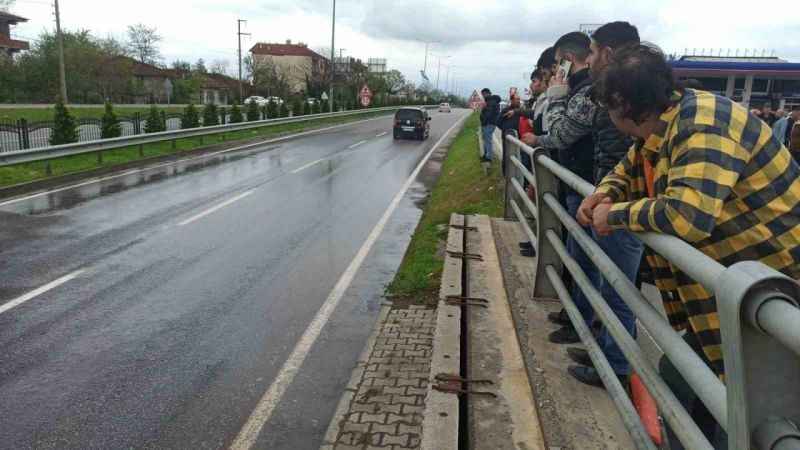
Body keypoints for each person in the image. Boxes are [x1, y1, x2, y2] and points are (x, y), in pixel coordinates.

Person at [582, 43, 800, 447]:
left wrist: (612, 216)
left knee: (755, 421)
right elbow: (628, 168)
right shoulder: (666, 124)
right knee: (687, 385)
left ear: (622, 105)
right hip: (736, 298)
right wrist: (604, 193)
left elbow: (687, 217)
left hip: (776, 301)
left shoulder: (704, 122)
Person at [553, 21, 643, 389]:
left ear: (605, 53)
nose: (588, 61)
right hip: (612, 198)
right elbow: (631, 160)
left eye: (591, 53)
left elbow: (560, 133)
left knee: (617, 289)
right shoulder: (623, 92)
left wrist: (614, 205)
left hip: (623, 210)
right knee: (607, 284)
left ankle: (617, 366)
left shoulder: (620, 94)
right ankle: (607, 353)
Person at [520, 31, 597, 347]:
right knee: (576, 253)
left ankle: (584, 324)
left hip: (584, 181)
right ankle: (575, 314)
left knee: (585, 258)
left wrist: (554, 95)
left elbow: (559, 132)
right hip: (574, 178)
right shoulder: (578, 89)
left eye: (556, 64)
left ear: (566, 59)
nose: (554, 72)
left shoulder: (585, 91)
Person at [479, 88, 501, 162]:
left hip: (488, 124)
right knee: (486, 140)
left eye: (483, 94)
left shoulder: (491, 102)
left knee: (488, 140)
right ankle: (486, 155)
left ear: (487, 93)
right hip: (489, 123)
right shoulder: (491, 101)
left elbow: (488, 114)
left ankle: (489, 157)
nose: (483, 96)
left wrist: (483, 121)